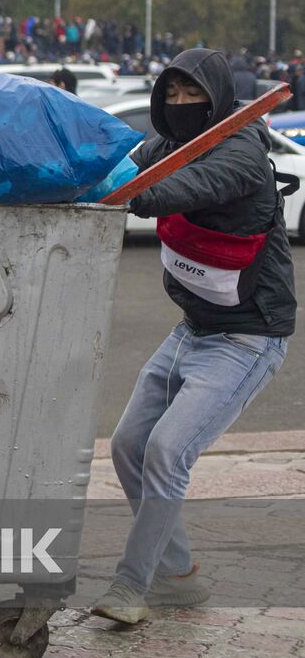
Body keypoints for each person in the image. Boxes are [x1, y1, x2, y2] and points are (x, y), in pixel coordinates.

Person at [90, 48, 295, 625]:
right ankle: (178, 577)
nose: (182, 106)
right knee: (129, 444)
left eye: (194, 96)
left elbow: (193, 184)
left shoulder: (243, 153)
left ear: (220, 99)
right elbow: (126, 162)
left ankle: (132, 587)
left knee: (166, 451)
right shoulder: (164, 146)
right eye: (172, 95)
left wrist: (134, 194)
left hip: (249, 339)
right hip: (191, 329)